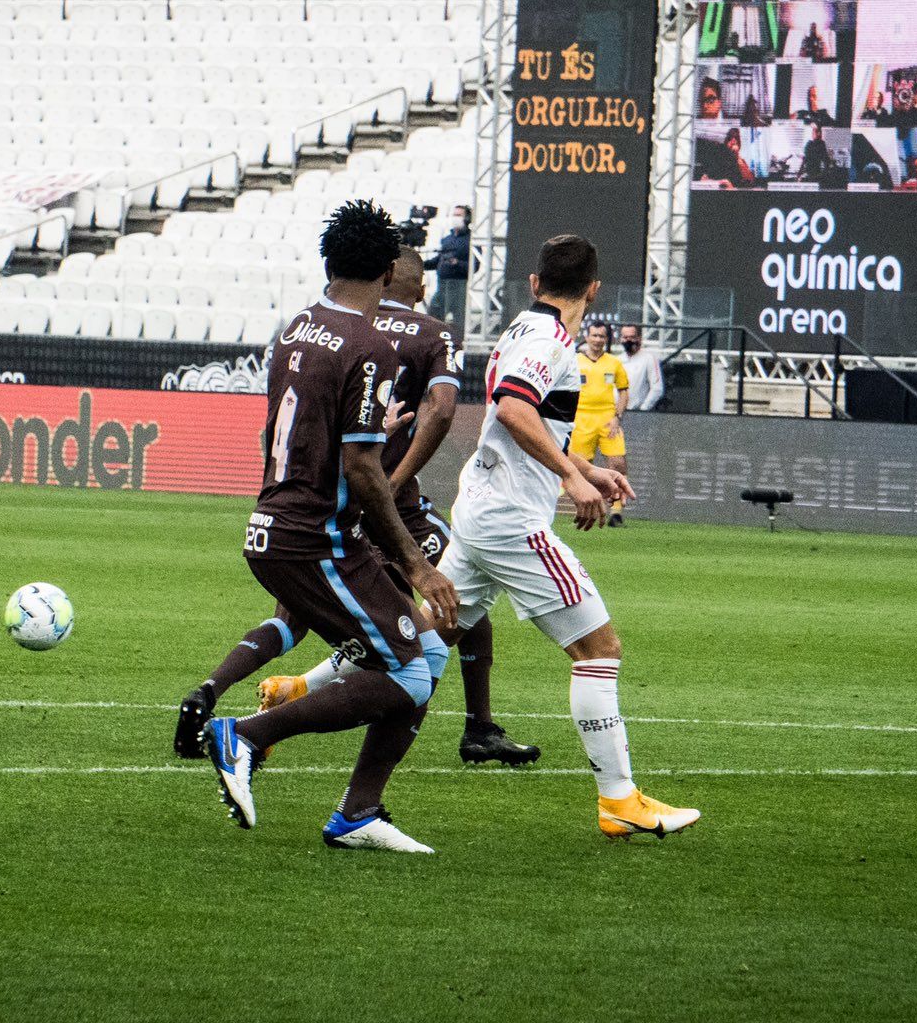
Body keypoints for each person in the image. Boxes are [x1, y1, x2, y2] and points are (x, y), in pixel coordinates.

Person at [173, 201, 460, 854]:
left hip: (272, 523)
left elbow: (282, 430)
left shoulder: (295, 328)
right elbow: (363, 471)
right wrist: (416, 564)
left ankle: (359, 812)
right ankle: (244, 736)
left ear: (329, 262)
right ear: (390, 270)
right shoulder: (369, 347)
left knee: (426, 652)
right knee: (412, 675)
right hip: (318, 539)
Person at [438, 235, 699, 840]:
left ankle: (287, 700)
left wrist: (585, 471)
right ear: (594, 291)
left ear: (533, 283)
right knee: (599, 650)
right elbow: (510, 409)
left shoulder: (523, 330)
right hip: (509, 520)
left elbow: (516, 414)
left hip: (484, 508)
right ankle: (619, 800)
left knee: (423, 638)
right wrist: (572, 478)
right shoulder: (548, 339)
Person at [252, 248, 540, 768]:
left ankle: (293, 697)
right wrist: (396, 478)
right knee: (440, 611)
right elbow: (443, 408)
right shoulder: (433, 332)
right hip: (390, 504)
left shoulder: (321, 327)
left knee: (383, 618)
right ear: (421, 286)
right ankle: (471, 728)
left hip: (320, 506)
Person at [569, 322, 631, 528]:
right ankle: (585, 511)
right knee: (581, 469)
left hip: (607, 420)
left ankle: (616, 511)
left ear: (606, 340)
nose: (597, 340)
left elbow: (623, 390)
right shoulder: (574, 361)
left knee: (618, 464)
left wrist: (617, 416)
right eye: (594, 335)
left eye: (601, 336)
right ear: (586, 337)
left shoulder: (614, 363)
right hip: (581, 419)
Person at [425, 205, 469, 328]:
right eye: (454, 215)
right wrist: (423, 264)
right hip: (442, 285)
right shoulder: (447, 239)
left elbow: (474, 267)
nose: (456, 218)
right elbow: (439, 259)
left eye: (459, 215)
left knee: (457, 320)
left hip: (458, 286)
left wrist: (457, 263)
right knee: (433, 313)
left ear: (467, 218)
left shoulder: (470, 240)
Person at [618, 324, 665, 412]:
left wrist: (643, 409)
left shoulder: (649, 358)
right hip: (616, 413)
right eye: (625, 337)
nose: (628, 340)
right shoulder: (617, 360)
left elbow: (657, 388)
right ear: (621, 339)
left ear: (639, 338)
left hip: (638, 413)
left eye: (632, 337)